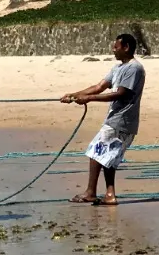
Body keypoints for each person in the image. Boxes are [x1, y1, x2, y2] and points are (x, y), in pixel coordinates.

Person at [62, 33, 147, 206]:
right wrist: (74, 95)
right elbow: (99, 87)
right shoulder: (117, 68)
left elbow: (121, 94)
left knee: (96, 152)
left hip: (122, 120)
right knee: (109, 156)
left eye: (116, 47)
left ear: (126, 48)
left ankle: (90, 192)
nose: (113, 49)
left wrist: (89, 99)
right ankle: (110, 195)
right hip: (115, 119)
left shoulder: (134, 68)